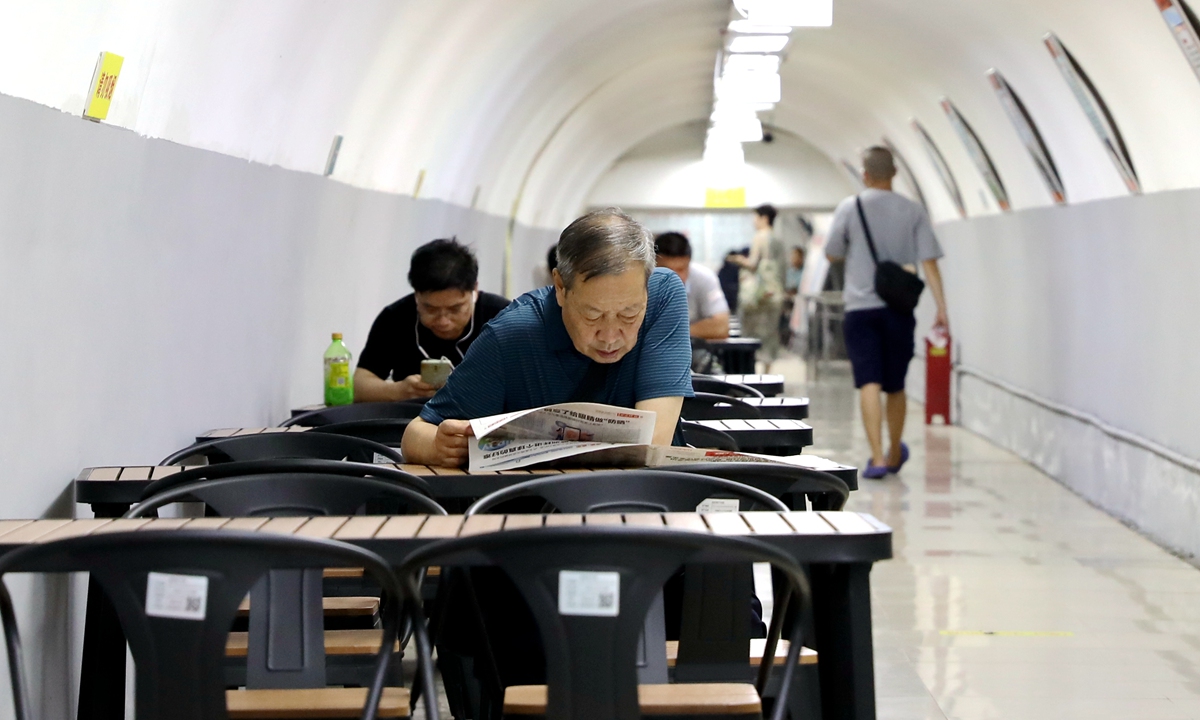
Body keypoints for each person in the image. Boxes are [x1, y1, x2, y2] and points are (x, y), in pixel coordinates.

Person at [401, 208, 693, 467]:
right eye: (592, 315)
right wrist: (439, 446)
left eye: (629, 315)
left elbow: (654, 441)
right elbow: (416, 434)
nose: (610, 336)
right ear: (560, 287)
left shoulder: (663, 296)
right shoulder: (511, 335)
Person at [825, 146, 949, 479]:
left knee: (868, 381)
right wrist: (942, 309)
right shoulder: (913, 210)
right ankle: (896, 451)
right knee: (895, 385)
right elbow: (930, 263)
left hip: (860, 310)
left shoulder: (850, 208)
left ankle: (877, 457)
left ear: (864, 174)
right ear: (895, 173)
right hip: (898, 310)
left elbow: (832, 253)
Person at [354, 238, 510, 402]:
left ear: (474, 290)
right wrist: (398, 391)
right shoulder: (395, 318)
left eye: (455, 309)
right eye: (430, 309)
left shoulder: (503, 317)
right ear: (416, 295)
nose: (443, 321)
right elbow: (359, 386)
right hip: (411, 419)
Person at [730, 204, 787, 371]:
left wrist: (738, 260)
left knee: (753, 333)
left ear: (764, 218)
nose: (753, 222)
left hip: (758, 296)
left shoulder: (759, 237)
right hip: (774, 293)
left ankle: (752, 371)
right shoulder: (777, 239)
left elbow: (753, 264)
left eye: (755, 218)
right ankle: (767, 371)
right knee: (770, 333)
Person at [654, 232, 730, 340]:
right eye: (667, 270)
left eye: (681, 270)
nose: (674, 277)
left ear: (689, 264)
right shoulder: (638, 281)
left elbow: (721, 327)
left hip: (696, 355)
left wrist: (671, 334)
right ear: (653, 265)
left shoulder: (704, 279)